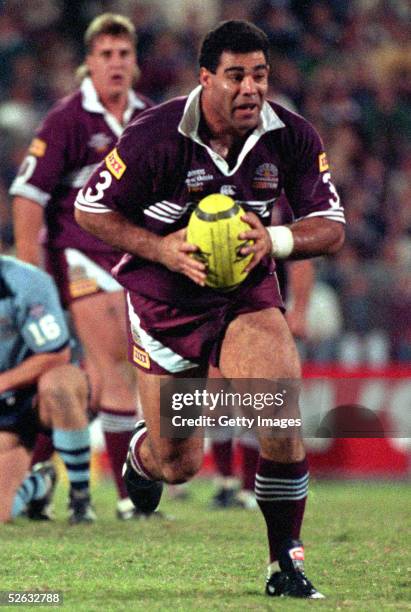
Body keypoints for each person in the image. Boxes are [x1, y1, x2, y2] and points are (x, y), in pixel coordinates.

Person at [74, 20, 345, 599]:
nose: (250, 89)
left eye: (260, 76)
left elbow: (331, 226)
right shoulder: (155, 136)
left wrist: (274, 240)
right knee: (179, 464)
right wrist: (161, 248)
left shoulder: (292, 135)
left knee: (278, 412)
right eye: (236, 76)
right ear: (206, 79)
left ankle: (285, 566)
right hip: (164, 303)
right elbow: (90, 210)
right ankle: (144, 459)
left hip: (244, 296)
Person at [10, 13, 154, 519]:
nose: (115, 63)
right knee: (114, 367)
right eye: (105, 55)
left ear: (135, 63)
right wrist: (34, 282)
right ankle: (128, 499)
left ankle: (33, 479)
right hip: (78, 259)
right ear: (88, 64)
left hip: (131, 258)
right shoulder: (68, 119)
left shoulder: (148, 118)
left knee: (90, 381)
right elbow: (28, 198)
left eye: (123, 54)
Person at [0, 255, 94, 524]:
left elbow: (55, 354)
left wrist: (3, 383)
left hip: (35, 393)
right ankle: (39, 484)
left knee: (60, 385)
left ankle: (80, 496)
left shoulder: (28, 281)